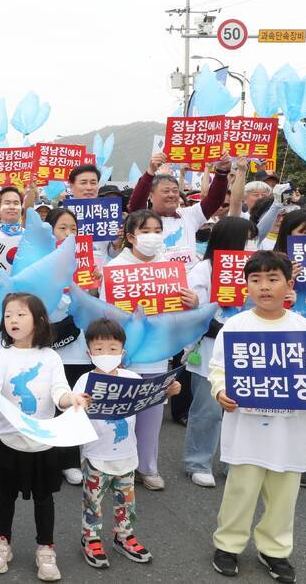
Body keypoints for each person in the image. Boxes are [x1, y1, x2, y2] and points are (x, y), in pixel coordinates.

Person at [209, 251, 306, 583]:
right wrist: (220, 391)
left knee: (284, 494)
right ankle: (228, 545)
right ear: (246, 286)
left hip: (292, 430)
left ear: (289, 284)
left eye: (273, 279)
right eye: (255, 279)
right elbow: (219, 369)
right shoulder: (236, 325)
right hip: (246, 425)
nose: (264, 287)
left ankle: (275, 549)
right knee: (240, 489)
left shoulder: (305, 328)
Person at [0, 293, 89, 581]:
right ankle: (2, 542)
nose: (13, 320)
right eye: (8, 315)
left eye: (20, 314)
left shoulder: (50, 357)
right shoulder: (0, 355)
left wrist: (70, 399)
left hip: (43, 442)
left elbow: (58, 392)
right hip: (8, 439)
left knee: (44, 499)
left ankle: (46, 548)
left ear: (39, 321)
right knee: (5, 497)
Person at [101, 210, 199, 491]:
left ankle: (147, 467)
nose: (153, 236)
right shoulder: (116, 267)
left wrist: (192, 301)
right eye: (146, 231)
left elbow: (181, 308)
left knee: (152, 412)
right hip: (126, 352)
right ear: (131, 236)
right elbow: (110, 313)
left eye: (157, 230)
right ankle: (117, 467)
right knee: (121, 414)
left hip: (157, 352)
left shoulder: (168, 266)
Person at [73, 319, 178, 569]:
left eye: (112, 349)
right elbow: (71, 410)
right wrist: (79, 403)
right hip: (96, 455)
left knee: (126, 501)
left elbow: (150, 399)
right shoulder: (84, 381)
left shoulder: (132, 378)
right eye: (99, 349)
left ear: (122, 352)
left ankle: (124, 535)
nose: (106, 354)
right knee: (93, 501)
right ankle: (91, 538)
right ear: (89, 352)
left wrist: (170, 391)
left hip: (127, 454)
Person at [184, 216, 258, 489]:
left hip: (246, 348)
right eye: (247, 238)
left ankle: (233, 460)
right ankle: (198, 461)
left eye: (254, 238)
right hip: (211, 347)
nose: (251, 244)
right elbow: (193, 311)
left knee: (240, 409)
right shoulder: (204, 269)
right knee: (209, 409)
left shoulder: (255, 269)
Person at [44, 207, 94, 486]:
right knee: (48, 404)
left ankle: (70, 460)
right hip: (49, 343)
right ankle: (49, 458)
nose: (68, 234)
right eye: (62, 228)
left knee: (74, 403)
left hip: (79, 346)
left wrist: (94, 285)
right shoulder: (41, 261)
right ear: (51, 231)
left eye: (73, 229)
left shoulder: (84, 263)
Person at [127, 152, 232, 257]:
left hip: (187, 272)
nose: (171, 195)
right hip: (156, 272)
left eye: (175, 191)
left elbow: (214, 200)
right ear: (150, 196)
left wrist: (222, 173)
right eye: (166, 191)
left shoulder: (189, 215)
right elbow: (135, 205)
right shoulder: (143, 219)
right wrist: (150, 172)